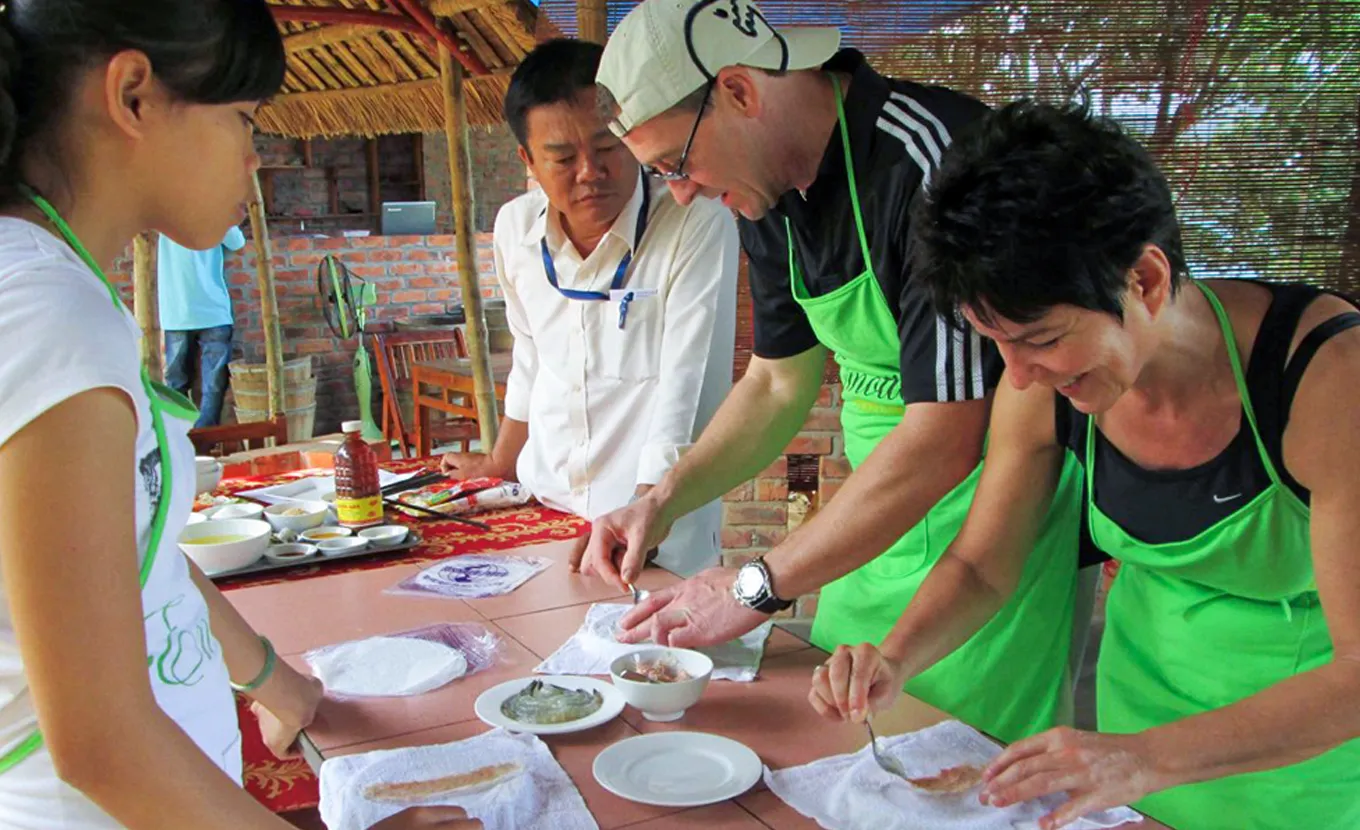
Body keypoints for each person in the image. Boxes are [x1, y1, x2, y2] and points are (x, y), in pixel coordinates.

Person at [812, 100, 1360, 830]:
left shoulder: (1328, 379)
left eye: (1040, 338)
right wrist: (896, 658)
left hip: (1296, 782)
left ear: (1146, 280)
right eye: (995, 343)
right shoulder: (1040, 386)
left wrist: (1143, 756)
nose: (1020, 375)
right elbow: (982, 565)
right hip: (1129, 766)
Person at [0, 2, 476, 828]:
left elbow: (125, 554)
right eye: (245, 119)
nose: (256, 156)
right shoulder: (47, 318)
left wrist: (267, 675)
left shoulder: (57, 290)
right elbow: (100, 744)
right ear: (135, 94)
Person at [579, 0, 1090, 743]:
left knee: (958, 769)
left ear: (740, 92)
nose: (682, 191)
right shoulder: (764, 198)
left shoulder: (934, 166)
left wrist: (757, 583)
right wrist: (661, 501)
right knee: (829, 738)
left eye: (676, 165)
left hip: (995, 537)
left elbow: (946, 437)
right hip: (872, 525)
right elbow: (777, 381)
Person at [441, 38, 738, 578]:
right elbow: (531, 358)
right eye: (562, 157)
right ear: (527, 160)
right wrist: (499, 463)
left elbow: (684, 387)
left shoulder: (695, 222)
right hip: (544, 512)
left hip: (652, 527)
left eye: (607, 147)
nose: (589, 172)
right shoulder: (514, 228)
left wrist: (648, 513)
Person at [158, 224, 246, 428]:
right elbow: (238, 243)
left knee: (175, 382)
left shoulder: (166, 208)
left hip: (177, 310)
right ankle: (204, 437)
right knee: (212, 385)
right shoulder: (216, 211)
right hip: (211, 309)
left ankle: (179, 434)